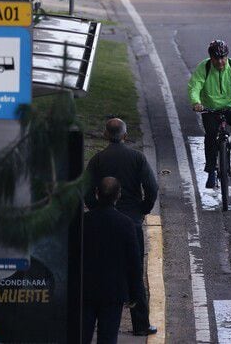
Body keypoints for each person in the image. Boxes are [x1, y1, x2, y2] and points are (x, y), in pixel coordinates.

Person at [84, 118, 158, 337]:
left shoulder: (97, 160)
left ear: (106, 135)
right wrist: (143, 209)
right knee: (135, 270)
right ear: (125, 135)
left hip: (102, 222)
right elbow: (151, 188)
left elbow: (86, 190)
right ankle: (140, 323)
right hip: (132, 220)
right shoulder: (137, 157)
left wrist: (97, 209)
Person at [82, 177, 146, 344]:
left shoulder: (83, 222)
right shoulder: (126, 224)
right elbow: (134, 263)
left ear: (96, 194)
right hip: (113, 292)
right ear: (118, 195)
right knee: (108, 337)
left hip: (85, 290)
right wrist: (135, 295)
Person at [187, 40, 231, 188]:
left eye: (223, 57)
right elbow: (194, 86)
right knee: (210, 136)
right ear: (211, 58)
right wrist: (196, 102)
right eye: (216, 58)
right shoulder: (204, 68)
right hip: (210, 108)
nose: (220, 61)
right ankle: (211, 172)